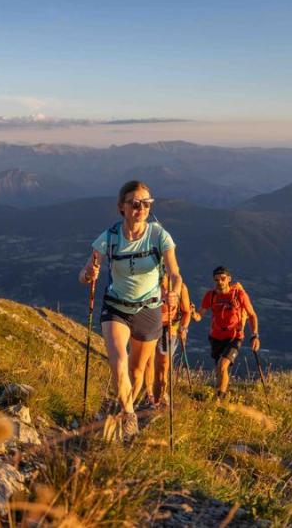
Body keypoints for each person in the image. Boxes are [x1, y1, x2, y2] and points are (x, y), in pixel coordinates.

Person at [79, 180, 182, 439]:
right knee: (118, 360)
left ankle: (122, 410)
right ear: (122, 207)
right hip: (116, 306)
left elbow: (175, 274)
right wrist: (88, 274)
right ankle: (128, 414)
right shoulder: (110, 237)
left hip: (149, 309)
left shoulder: (159, 236)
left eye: (147, 203)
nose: (141, 208)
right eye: (135, 203)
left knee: (137, 372)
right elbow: (85, 273)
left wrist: (175, 292)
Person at [195, 266, 260, 399]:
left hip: (234, 337)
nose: (220, 282)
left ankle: (220, 398)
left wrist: (254, 335)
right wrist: (192, 313)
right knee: (219, 369)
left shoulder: (239, 295)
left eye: (223, 279)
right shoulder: (210, 295)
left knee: (222, 365)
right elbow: (199, 315)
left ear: (229, 279)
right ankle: (219, 394)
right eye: (216, 279)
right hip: (216, 337)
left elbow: (252, 315)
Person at [141, 274, 192, 409]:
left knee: (163, 363)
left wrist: (183, 327)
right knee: (148, 360)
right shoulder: (148, 284)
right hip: (150, 324)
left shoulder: (180, 288)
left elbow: (187, 312)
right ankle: (149, 394)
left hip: (170, 327)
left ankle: (161, 393)